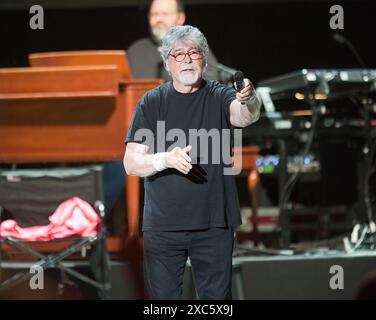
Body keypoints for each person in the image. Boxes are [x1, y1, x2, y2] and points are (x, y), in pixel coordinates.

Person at [123, 25, 260, 300]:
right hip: (162, 227)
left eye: (194, 53)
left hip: (214, 224)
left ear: (204, 60)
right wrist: (165, 159)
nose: (186, 59)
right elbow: (131, 163)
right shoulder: (152, 102)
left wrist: (250, 99)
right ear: (167, 63)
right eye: (178, 54)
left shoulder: (220, 94)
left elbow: (245, 116)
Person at [127, 0, 220, 81]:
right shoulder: (135, 50)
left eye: (165, 14)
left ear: (180, 18)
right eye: (154, 14)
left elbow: (209, 86)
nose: (159, 19)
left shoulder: (195, 48)